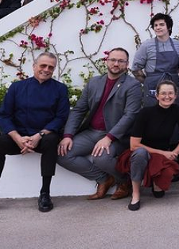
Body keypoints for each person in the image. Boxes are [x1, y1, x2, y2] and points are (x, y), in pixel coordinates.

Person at [0, 53, 69, 217]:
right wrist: (18, 138)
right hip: (18, 137)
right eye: (43, 66)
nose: (46, 70)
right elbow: (4, 115)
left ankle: (45, 193)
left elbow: (61, 117)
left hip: (43, 136)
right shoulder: (16, 88)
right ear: (34, 66)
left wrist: (38, 135)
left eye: (50, 67)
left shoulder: (60, 89)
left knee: (52, 140)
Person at [57, 47, 142, 201]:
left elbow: (130, 115)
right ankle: (104, 179)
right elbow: (79, 110)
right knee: (63, 154)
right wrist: (68, 135)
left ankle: (124, 180)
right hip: (91, 132)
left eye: (121, 61)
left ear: (127, 64)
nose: (116, 64)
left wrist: (109, 137)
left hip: (116, 135)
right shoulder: (94, 82)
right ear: (107, 61)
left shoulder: (133, 85)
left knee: (101, 158)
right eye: (113, 60)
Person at [117, 80, 179, 211]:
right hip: (142, 152)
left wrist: (174, 153)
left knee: (159, 193)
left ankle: (155, 182)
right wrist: (164, 153)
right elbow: (134, 145)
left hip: (161, 156)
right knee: (140, 154)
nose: (167, 96)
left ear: (176, 95)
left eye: (170, 93)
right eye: (163, 93)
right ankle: (135, 194)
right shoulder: (145, 113)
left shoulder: (176, 110)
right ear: (157, 96)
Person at [132, 13, 179, 107]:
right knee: (153, 117)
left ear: (169, 27)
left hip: (173, 85)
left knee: (175, 115)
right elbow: (136, 68)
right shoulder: (146, 45)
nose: (158, 27)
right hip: (153, 87)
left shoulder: (178, 45)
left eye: (161, 24)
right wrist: (148, 81)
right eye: (155, 25)